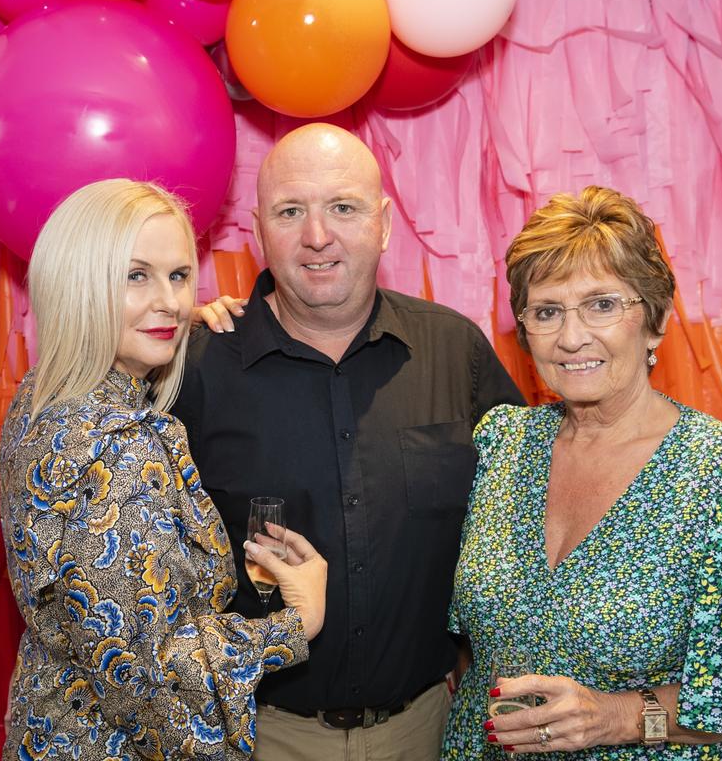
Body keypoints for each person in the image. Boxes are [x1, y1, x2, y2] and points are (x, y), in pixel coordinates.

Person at [173, 123, 524, 761]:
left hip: (427, 730)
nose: (317, 237)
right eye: (290, 211)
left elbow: (526, 526)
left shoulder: (454, 350)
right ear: (257, 230)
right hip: (258, 736)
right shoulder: (195, 368)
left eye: (343, 207)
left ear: (384, 223)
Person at [442, 185, 722, 759]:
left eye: (602, 304)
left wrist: (615, 716)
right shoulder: (500, 442)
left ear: (656, 320)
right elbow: (470, 642)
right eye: (547, 311)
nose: (572, 338)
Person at [0, 179, 327, 761]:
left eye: (178, 276)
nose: (171, 302)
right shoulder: (112, 447)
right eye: (135, 275)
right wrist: (296, 622)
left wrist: (158, 325)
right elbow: (158, 682)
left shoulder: (49, 399)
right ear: (79, 285)